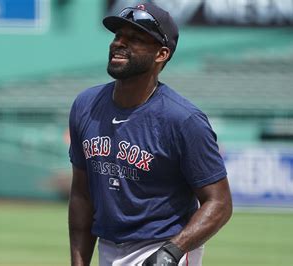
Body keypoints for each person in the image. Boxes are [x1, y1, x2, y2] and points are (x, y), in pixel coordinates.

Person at [68, 2, 232, 266]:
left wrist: (172, 252)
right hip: (108, 249)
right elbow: (82, 195)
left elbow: (219, 203)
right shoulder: (86, 105)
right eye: (117, 35)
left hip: (163, 246)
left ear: (161, 54)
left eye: (134, 38)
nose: (119, 43)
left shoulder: (184, 120)